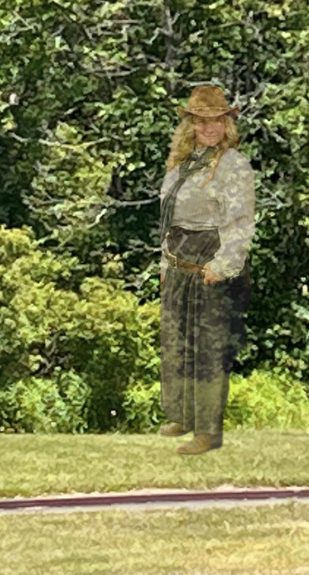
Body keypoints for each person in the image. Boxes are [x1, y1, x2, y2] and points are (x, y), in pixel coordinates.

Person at [157, 83, 255, 456]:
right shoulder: (183, 162)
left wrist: (224, 264)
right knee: (177, 342)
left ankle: (208, 430)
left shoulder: (233, 165)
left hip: (209, 256)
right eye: (202, 121)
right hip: (179, 256)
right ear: (192, 124)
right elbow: (169, 217)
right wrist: (166, 261)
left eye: (216, 121)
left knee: (208, 347)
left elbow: (240, 221)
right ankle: (181, 414)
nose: (209, 128)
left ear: (226, 124)